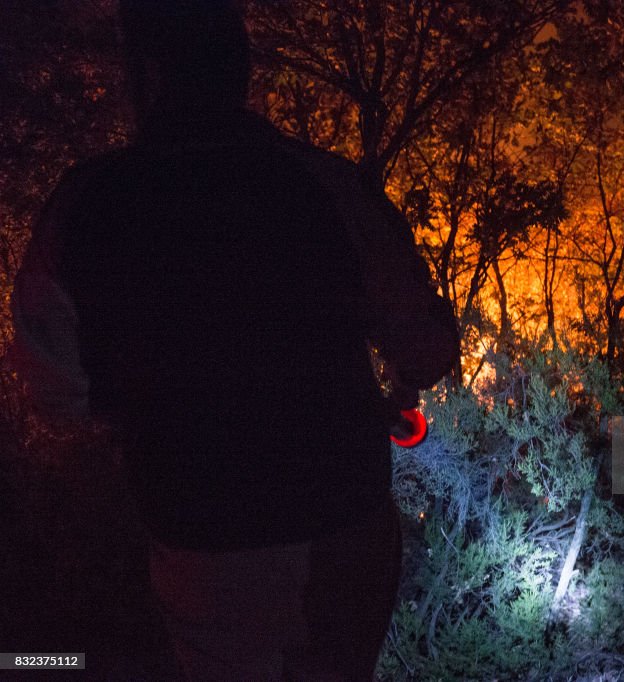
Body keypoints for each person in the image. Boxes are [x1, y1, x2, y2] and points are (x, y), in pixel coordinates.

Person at [9, 0, 459, 679]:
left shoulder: (84, 206)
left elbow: (58, 396)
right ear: (241, 72)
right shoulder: (328, 184)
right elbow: (426, 352)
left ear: (148, 75)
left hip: (202, 533)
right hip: (340, 517)